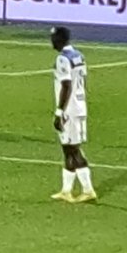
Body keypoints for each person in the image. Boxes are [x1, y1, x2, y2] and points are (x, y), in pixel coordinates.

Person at [50, 26, 97, 203]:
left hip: (69, 109)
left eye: (53, 39)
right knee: (68, 148)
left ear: (59, 40)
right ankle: (66, 190)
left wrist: (59, 111)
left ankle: (88, 189)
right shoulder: (79, 56)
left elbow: (66, 85)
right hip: (79, 105)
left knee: (73, 149)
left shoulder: (63, 59)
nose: (51, 42)